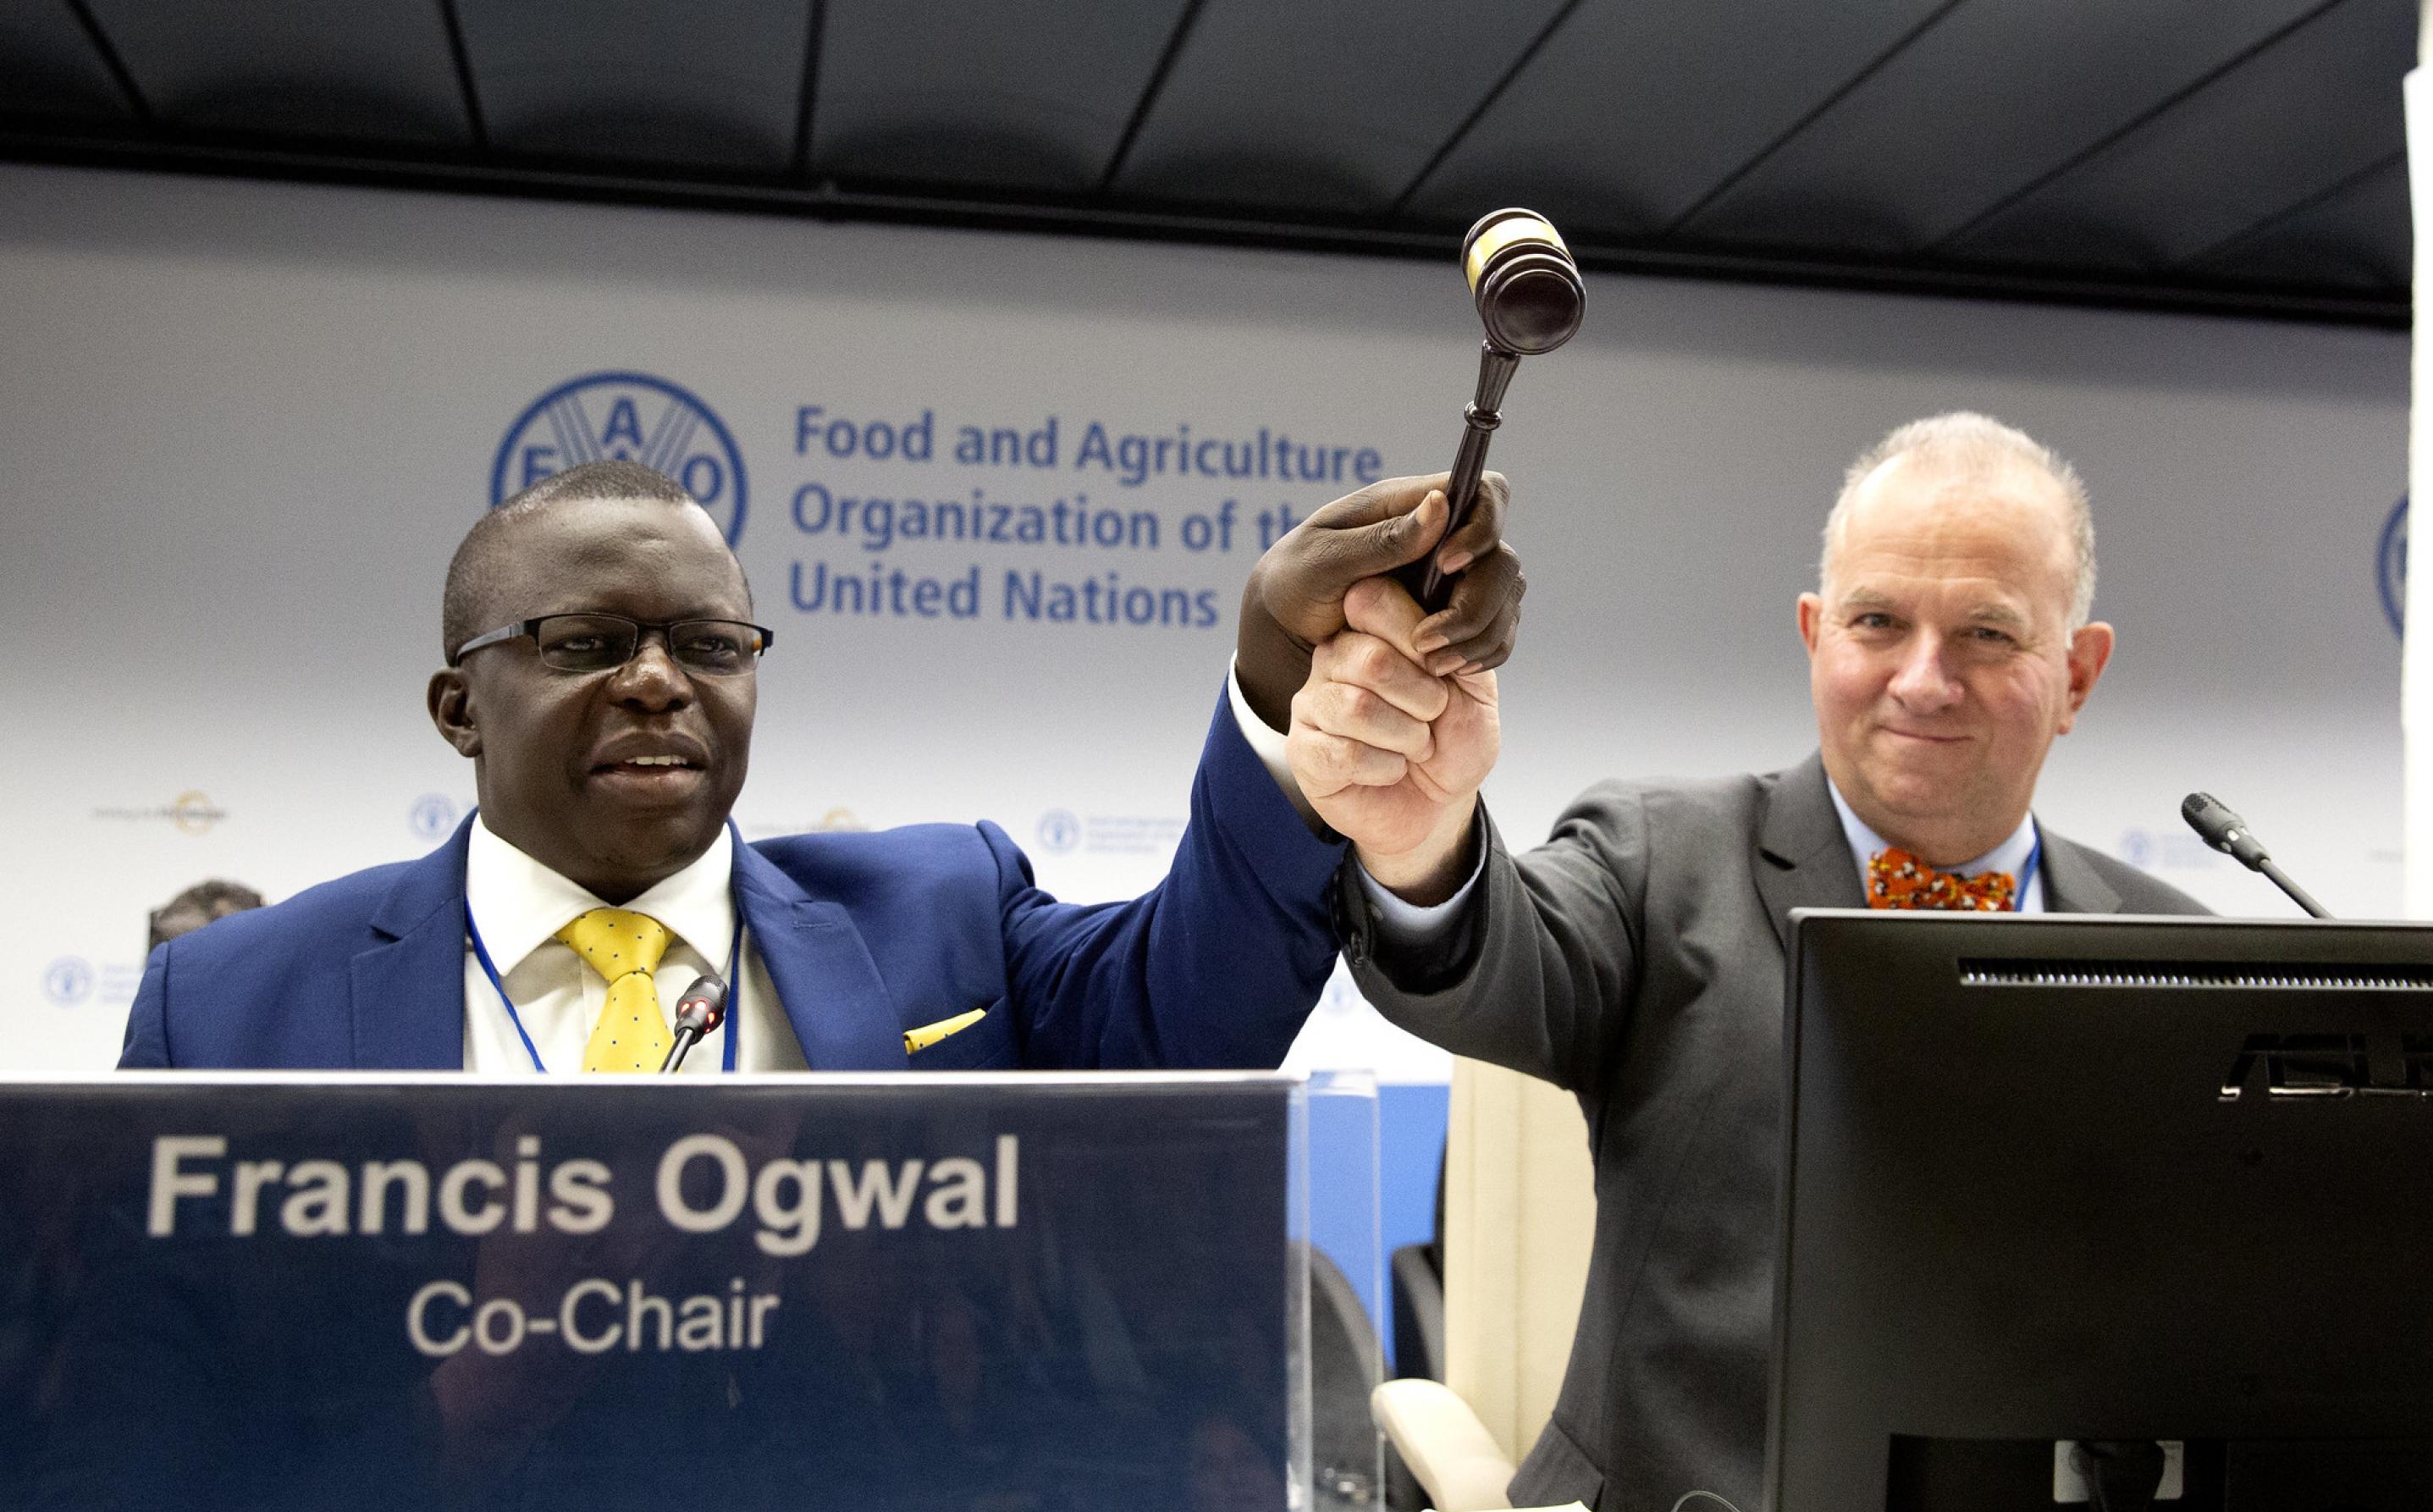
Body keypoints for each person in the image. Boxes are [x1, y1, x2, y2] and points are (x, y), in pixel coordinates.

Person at [1287, 412, 2208, 1512]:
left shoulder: (2176, 950)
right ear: (1816, 636)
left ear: (2076, 674)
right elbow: (1497, 956)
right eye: (1878, 622)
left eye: (1985, 635)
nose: (1924, 680)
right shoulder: (1659, 860)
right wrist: (1419, 838)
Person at [119, 458, 1520, 1073]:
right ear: (456, 708)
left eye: (711, 644)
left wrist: (1280, 668)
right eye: (588, 640)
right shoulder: (230, 1007)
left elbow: (1188, 1012)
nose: (661, 680)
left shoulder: (940, 915)